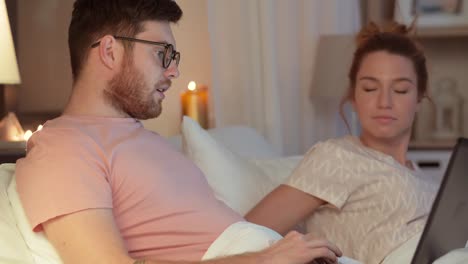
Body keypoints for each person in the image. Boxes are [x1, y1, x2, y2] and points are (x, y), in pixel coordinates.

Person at [14, 0, 343, 263]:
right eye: (162, 54)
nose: (174, 71)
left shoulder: (146, 141)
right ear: (109, 51)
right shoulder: (65, 147)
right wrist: (265, 259)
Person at [245, 21, 439, 264]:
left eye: (400, 90)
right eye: (370, 88)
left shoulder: (424, 178)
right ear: (353, 96)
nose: (384, 102)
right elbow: (245, 233)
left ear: (419, 98)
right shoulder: (337, 157)